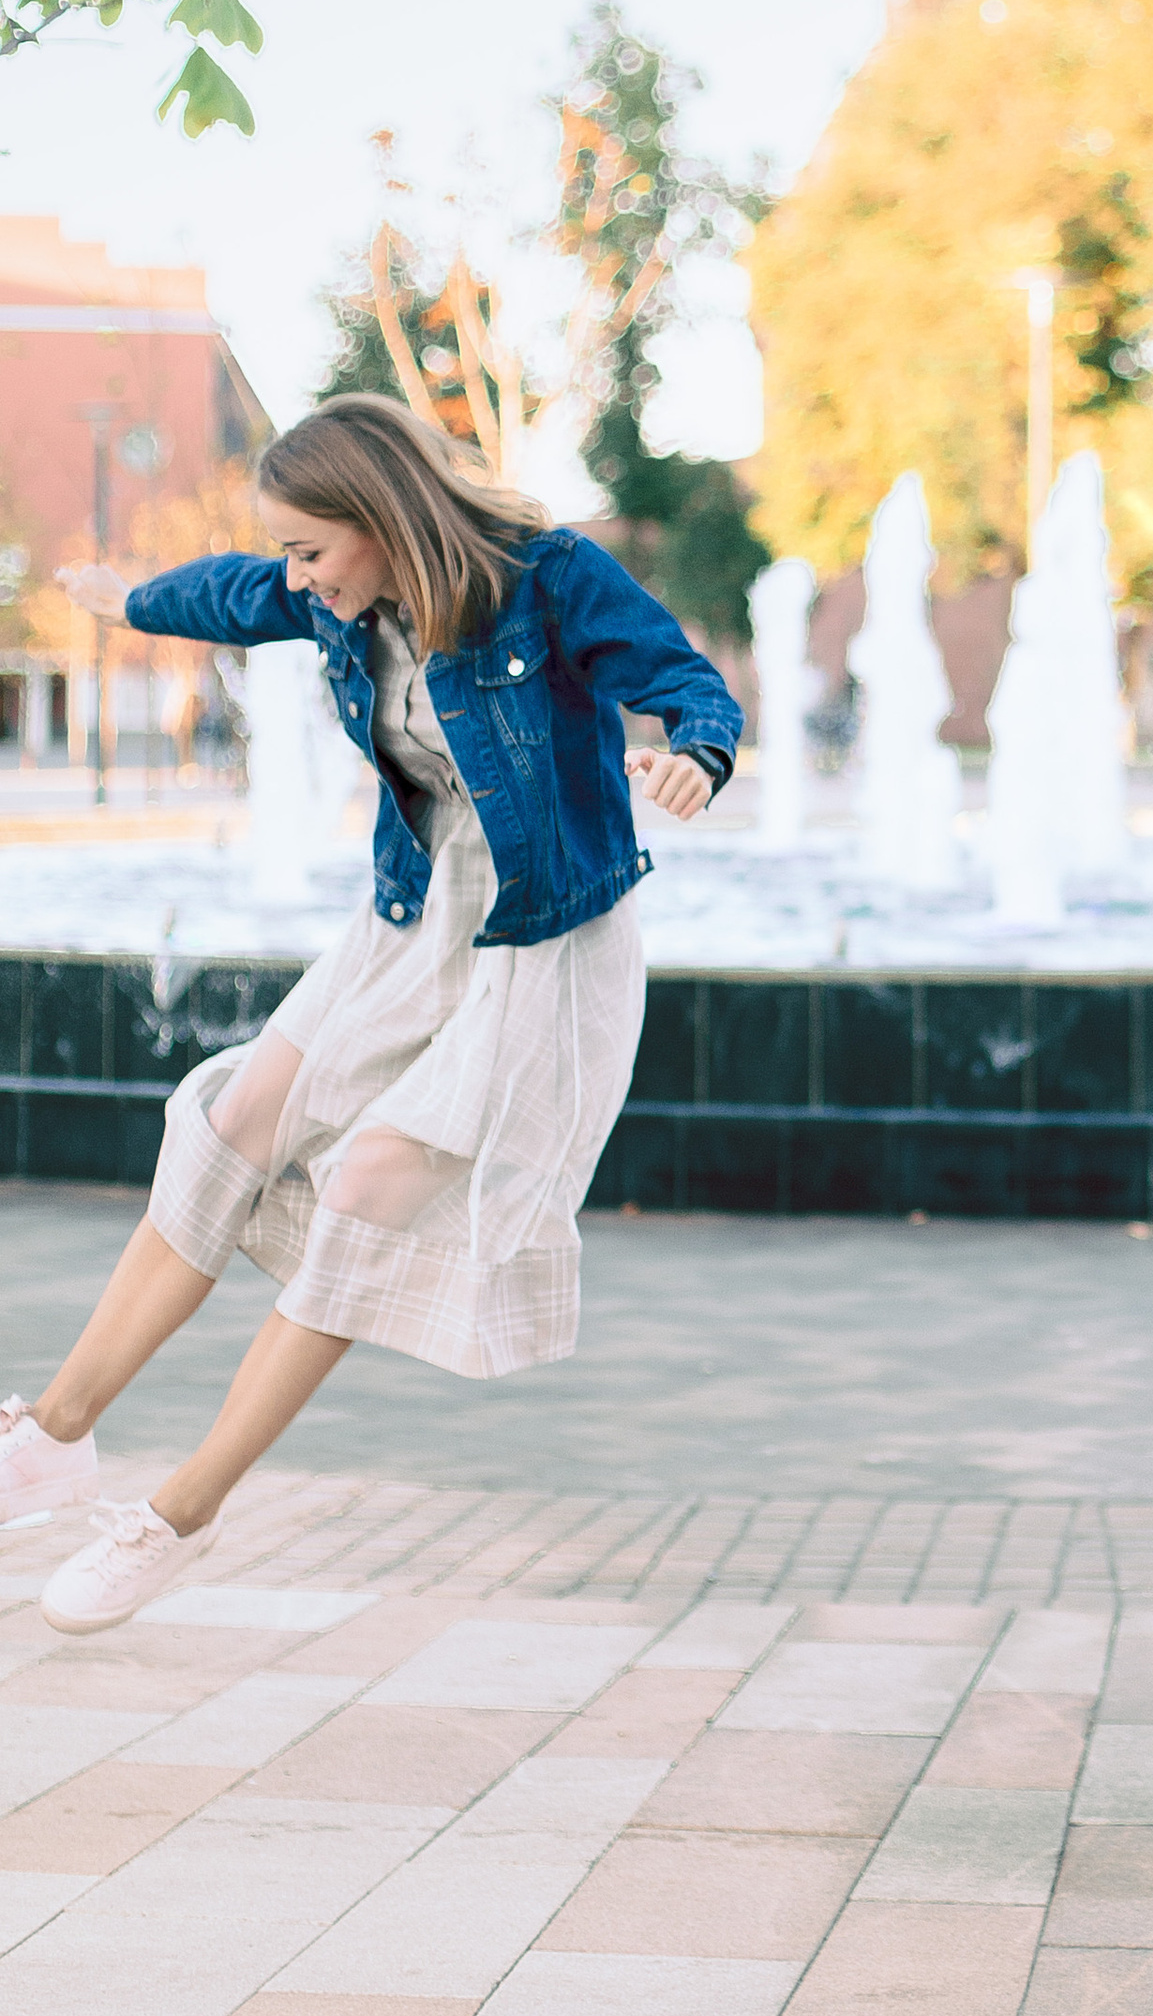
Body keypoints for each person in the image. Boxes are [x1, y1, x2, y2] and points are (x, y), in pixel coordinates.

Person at [3, 397, 742, 1634]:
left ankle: (181, 1512)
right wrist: (122, 601)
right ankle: (51, 1435)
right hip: (414, 910)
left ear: (386, 519)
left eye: (312, 549)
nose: (297, 578)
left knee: (364, 1191)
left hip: (542, 937)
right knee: (235, 1121)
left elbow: (680, 679)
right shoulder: (321, 594)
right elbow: (234, 594)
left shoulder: (547, 578)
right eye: (290, 551)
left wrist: (695, 753)